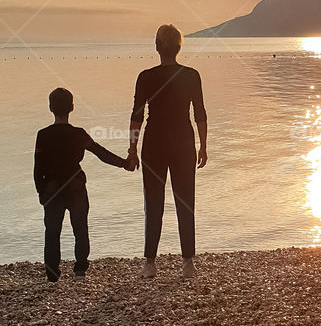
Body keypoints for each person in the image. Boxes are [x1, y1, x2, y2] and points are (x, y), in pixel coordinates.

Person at [127, 24, 208, 279]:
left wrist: (132, 148)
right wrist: (203, 145)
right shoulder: (191, 75)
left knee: (153, 202)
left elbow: (137, 116)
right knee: (186, 201)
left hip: (154, 142)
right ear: (179, 47)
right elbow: (200, 114)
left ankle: (150, 263)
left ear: (157, 47)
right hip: (184, 140)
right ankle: (188, 263)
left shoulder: (146, 76)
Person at [34, 87, 130, 282]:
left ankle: (52, 273)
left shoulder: (43, 134)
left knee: (52, 231)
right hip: (75, 185)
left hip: (52, 187)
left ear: (50, 107)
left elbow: (38, 167)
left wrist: (40, 192)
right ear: (72, 107)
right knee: (80, 227)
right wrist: (125, 163)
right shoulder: (78, 134)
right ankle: (80, 270)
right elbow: (101, 153)